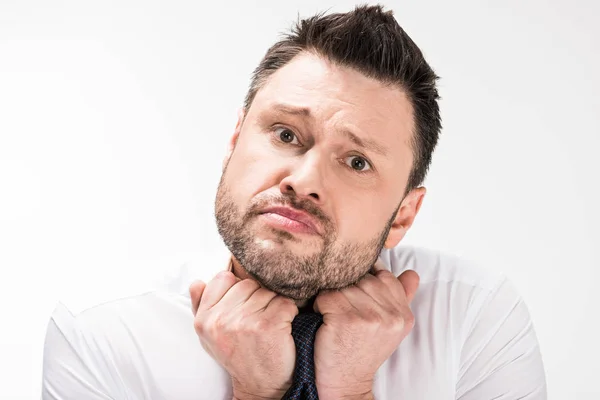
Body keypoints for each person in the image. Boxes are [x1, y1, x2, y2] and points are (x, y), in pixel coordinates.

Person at [41, 4, 547, 399]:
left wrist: (348, 393)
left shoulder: (476, 318)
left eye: (356, 162)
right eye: (285, 134)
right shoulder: (101, 332)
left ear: (404, 217)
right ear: (234, 142)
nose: (304, 182)